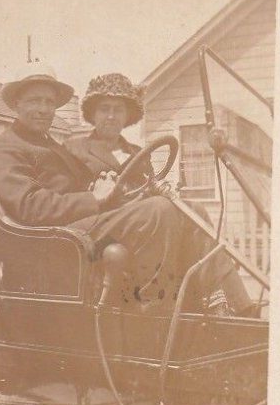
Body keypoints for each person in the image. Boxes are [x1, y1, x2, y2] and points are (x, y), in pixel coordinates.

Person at [0, 63, 196, 311]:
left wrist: (103, 189)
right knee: (158, 210)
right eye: (34, 101)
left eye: (49, 102)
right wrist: (92, 198)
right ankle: (154, 310)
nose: (43, 109)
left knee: (185, 210)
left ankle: (228, 305)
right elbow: (30, 207)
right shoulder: (5, 145)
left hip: (75, 226)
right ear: (16, 104)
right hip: (52, 239)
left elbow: (75, 187)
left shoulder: (49, 144)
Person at [64, 73, 254, 315]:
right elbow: (72, 199)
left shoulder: (135, 152)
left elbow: (149, 187)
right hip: (107, 228)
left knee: (194, 209)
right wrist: (96, 190)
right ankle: (155, 311)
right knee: (160, 211)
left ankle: (234, 304)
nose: (111, 116)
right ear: (92, 113)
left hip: (146, 222)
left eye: (118, 110)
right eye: (104, 109)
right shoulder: (75, 149)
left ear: (128, 115)